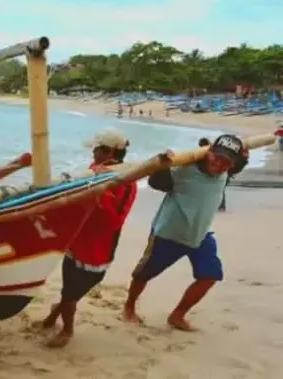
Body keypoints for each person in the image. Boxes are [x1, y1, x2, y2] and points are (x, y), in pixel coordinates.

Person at [122, 134, 249, 331]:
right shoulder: (183, 170)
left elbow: (236, 166)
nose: (221, 165)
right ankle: (129, 306)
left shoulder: (226, 172)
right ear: (209, 154)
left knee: (210, 275)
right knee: (143, 274)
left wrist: (243, 159)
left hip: (200, 235)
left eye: (227, 162)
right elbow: (157, 183)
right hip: (169, 234)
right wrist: (162, 164)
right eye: (218, 158)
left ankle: (177, 315)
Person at [38, 129, 138, 347]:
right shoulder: (95, 173)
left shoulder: (126, 182)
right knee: (70, 292)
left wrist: (100, 193)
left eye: (96, 149)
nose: (92, 153)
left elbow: (113, 221)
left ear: (108, 151)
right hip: (77, 244)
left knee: (73, 293)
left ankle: (65, 329)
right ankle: (63, 321)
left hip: (97, 251)